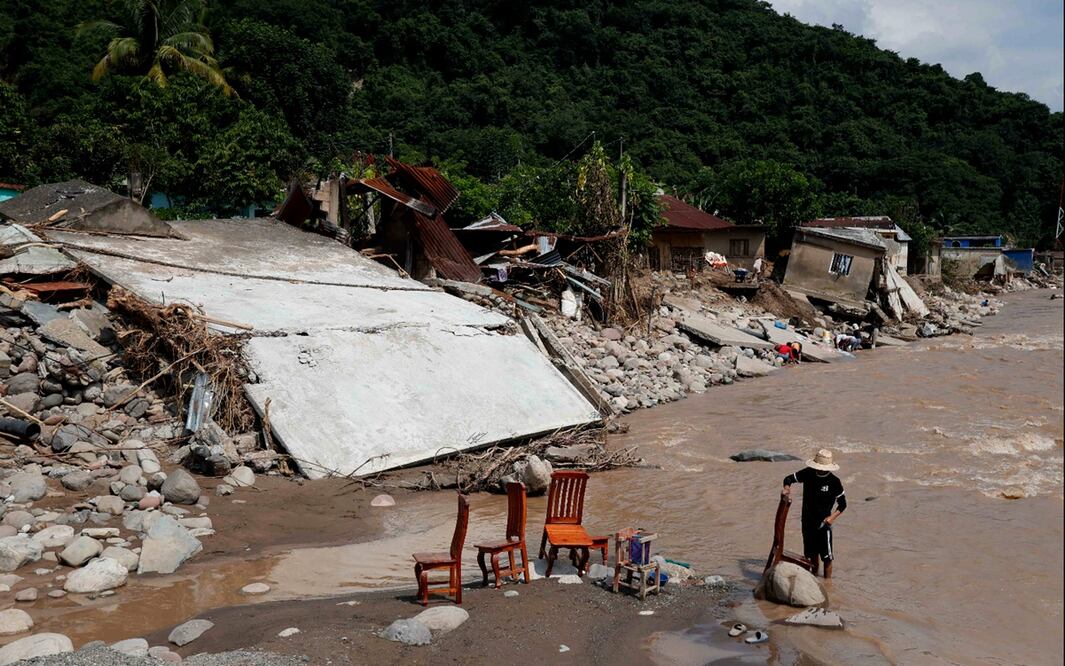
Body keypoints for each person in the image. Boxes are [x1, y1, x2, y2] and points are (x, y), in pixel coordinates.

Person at [781, 449, 847, 578]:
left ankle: (828, 584)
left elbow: (843, 504)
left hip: (824, 525)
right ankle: (815, 578)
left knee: (827, 557)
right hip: (807, 522)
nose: (821, 470)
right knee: (811, 555)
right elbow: (788, 478)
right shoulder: (808, 473)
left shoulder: (834, 482)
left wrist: (832, 518)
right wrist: (786, 489)